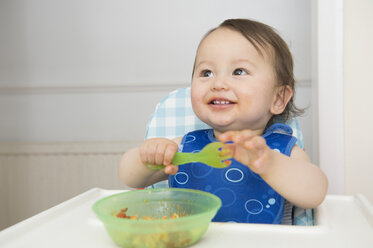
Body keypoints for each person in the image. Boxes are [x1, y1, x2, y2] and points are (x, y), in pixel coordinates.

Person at [118, 19, 328, 224]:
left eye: (239, 71)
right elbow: (129, 177)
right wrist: (148, 157)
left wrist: (270, 165)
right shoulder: (186, 148)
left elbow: (315, 193)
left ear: (278, 99)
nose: (218, 83)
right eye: (206, 72)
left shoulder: (281, 151)